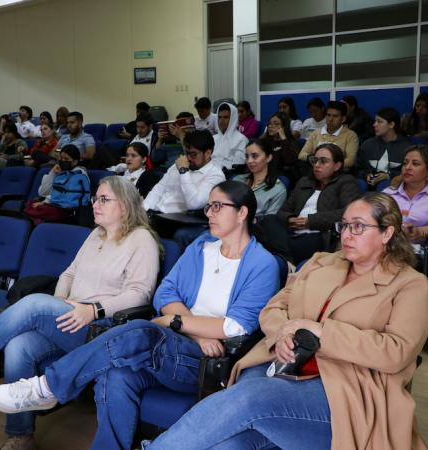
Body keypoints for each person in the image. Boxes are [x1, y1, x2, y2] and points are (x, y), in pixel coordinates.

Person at [0, 181, 280, 450]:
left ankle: (49, 386)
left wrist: (174, 321)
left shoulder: (262, 264)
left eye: (218, 206)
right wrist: (196, 331)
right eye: (208, 206)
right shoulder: (201, 247)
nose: (209, 213)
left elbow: (235, 326)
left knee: (141, 330)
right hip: (181, 343)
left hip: (206, 363)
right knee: (117, 374)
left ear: (242, 213)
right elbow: (165, 295)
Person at [143, 191, 428, 450]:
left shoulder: (411, 285)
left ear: (387, 232)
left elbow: (396, 352)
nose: (347, 235)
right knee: (231, 443)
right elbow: (273, 308)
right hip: (279, 362)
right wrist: (284, 333)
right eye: (344, 225)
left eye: (359, 226)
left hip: (346, 388)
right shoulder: (320, 263)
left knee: (249, 398)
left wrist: (320, 332)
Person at [0, 176, 160, 450]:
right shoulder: (96, 234)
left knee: (36, 304)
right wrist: (59, 304)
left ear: (125, 205)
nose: (95, 204)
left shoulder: (142, 239)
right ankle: (21, 434)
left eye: (103, 199)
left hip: (102, 328)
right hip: (70, 317)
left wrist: (92, 309)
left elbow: (140, 294)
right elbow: (69, 273)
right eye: (94, 198)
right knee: (19, 346)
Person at [264, 143, 361, 263]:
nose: (316, 165)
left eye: (323, 161)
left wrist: (311, 221)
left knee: (272, 242)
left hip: (318, 235)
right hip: (291, 232)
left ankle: (283, 257)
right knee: (268, 220)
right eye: (315, 160)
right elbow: (283, 211)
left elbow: (349, 213)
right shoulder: (305, 182)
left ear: (337, 166)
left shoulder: (346, 182)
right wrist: (290, 219)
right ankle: (287, 258)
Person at [143, 129, 225, 214]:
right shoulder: (178, 165)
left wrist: (184, 172)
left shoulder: (216, 175)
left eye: (193, 154)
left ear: (208, 153)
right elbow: (159, 189)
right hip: (156, 214)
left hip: (178, 220)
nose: (188, 158)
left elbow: (194, 204)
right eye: (187, 153)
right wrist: (144, 210)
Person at [22, 144, 89, 225]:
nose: (62, 161)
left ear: (75, 162)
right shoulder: (61, 170)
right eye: (61, 158)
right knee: (31, 204)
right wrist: (52, 173)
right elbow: (43, 192)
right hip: (54, 204)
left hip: (69, 210)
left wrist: (45, 202)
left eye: (66, 159)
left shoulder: (80, 174)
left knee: (38, 208)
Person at [356, 107, 411, 189]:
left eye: (379, 122)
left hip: (392, 187)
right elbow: (357, 169)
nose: (374, 125)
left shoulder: (406, 147)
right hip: (368, 187)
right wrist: (366, 175)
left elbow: (409, 171)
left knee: (384, 185)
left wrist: (388, 175)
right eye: (375, 121)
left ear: (391, 124)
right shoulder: (368, 144)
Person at [383, 145, 428, 244]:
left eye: (415, 164)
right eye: (405, 163)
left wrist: (421, 232)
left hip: (420, 252)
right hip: (388, 247)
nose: (407, 168)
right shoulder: (388, 193)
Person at [234, 139, 287, 218]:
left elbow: (269, 221)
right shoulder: (237, 179)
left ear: (268, 158)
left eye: (255, 156)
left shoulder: (278, 189)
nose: (249, 161)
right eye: (247, 156)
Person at [299, 101, 359, 169]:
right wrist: (311, 158)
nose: (330, 119)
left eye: (335, 116)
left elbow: (350, 161)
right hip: (316, 170)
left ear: (343, 119)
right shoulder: (316, 133)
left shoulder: (350, 135)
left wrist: (330, 167)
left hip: (338, 174)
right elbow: (301, 155)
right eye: (328, 115)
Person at [261, 112, 299, 176]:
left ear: (284, 127)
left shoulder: (290, 142)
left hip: (282, 175)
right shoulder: (265, 142)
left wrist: (283, 139)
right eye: (269, 123)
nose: (270, 126)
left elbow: (290, 161)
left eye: (276, 124)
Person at [212, 103, 248, 170]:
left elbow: (239, 163)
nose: (221, 121)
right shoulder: (213, 138)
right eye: (219, 117)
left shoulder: (241, 139)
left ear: (233, 119)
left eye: (226, 117)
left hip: (228, 175)